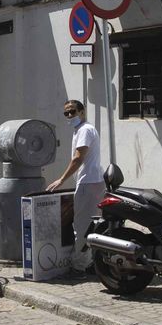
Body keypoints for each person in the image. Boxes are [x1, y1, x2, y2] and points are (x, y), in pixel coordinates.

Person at [46, 99, 102, 274]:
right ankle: (92, 262)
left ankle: (80, 266)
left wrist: (61, 180)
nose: (70, 115)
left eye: (73, 112)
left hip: (88, 182)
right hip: (91, 182)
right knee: (91, 225)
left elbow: (78, 158)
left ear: (82, 112)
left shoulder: (85, 130)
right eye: (66, 113)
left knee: (82, 226)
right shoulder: (80, 130)